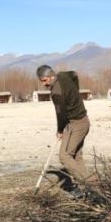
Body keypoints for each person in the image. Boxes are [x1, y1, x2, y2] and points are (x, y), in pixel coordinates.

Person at [36, 65, 90, 193]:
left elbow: (60, 114)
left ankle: (89, 185)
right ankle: (85, 188)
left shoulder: (56, 92)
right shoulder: (63, 75)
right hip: (84, 122)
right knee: (76, 155)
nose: (44, 84)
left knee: (64, 156)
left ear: (51, 76)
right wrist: (75, 92)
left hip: (76, 124)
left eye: (44, 80)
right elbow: (75, 74)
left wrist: (60, 130)